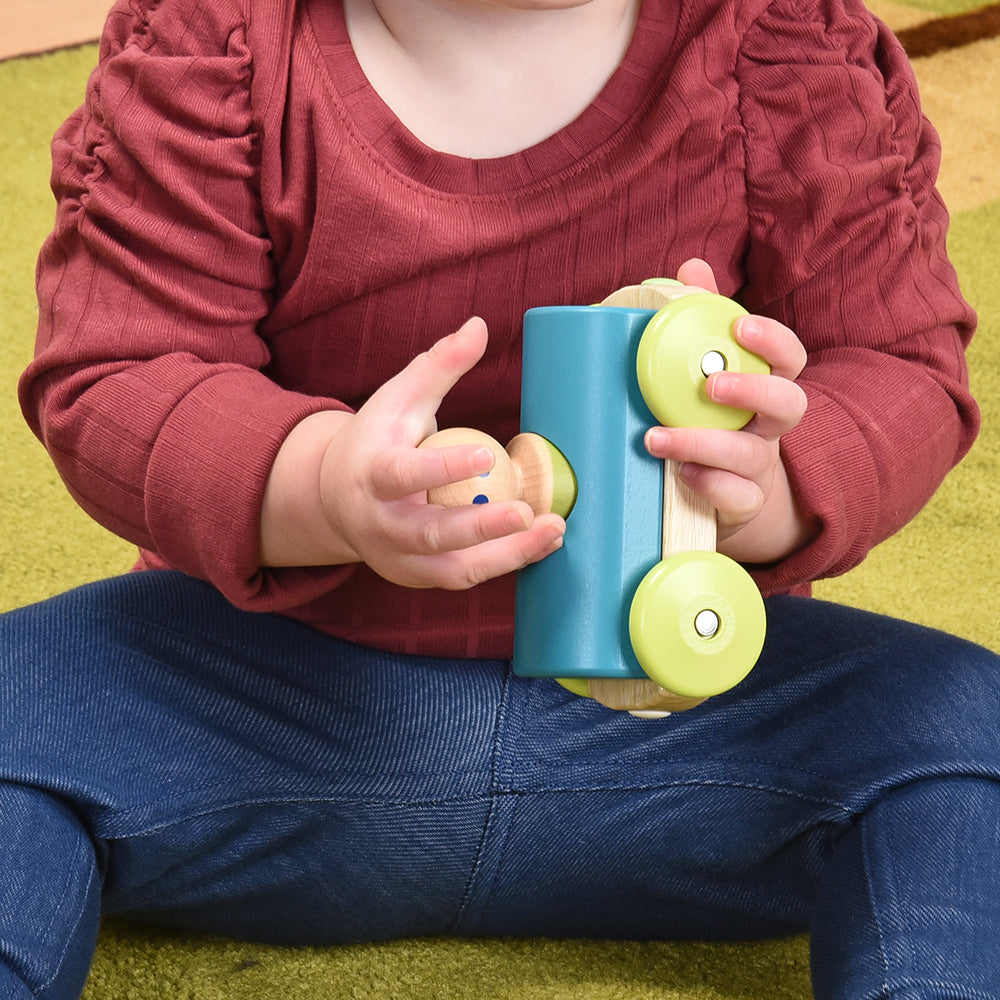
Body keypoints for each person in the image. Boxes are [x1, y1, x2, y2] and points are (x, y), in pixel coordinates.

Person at [5, 0, 1000, 996]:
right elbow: (119, 368)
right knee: (20, 696)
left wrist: (770, 485)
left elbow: (900, 359)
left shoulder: (782, 40)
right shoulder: (212, 44)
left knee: (965, 718)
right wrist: (318, 481)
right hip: (266, 699)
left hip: (680, 715)